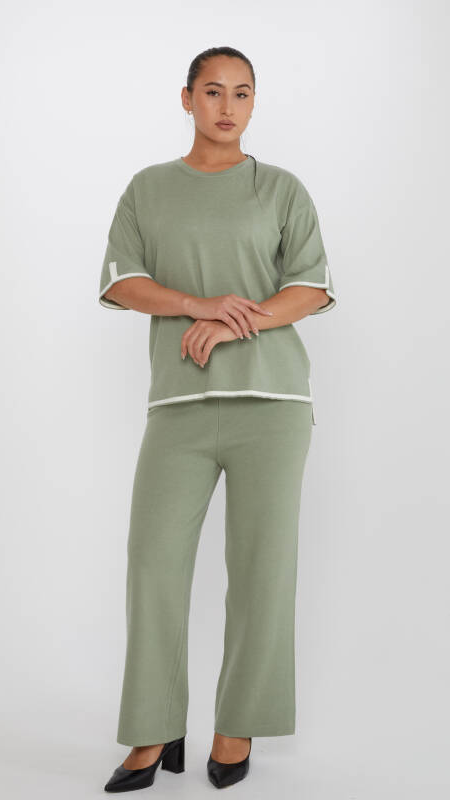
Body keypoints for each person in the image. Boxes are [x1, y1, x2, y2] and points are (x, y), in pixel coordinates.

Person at [99, 46, 337, 793]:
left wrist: (234, 324)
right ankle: (152, 728)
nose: (227, 107)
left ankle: (238, 726)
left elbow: (311, 288)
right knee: (152, 565)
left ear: (253, 102)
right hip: (178, 406)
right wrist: (197, 304)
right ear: (186, 99)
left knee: (263, 570)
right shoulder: (148, 188)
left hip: (272, 406)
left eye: (241, 93)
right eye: (212, 91)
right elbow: (124, 281)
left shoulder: (281, 189)